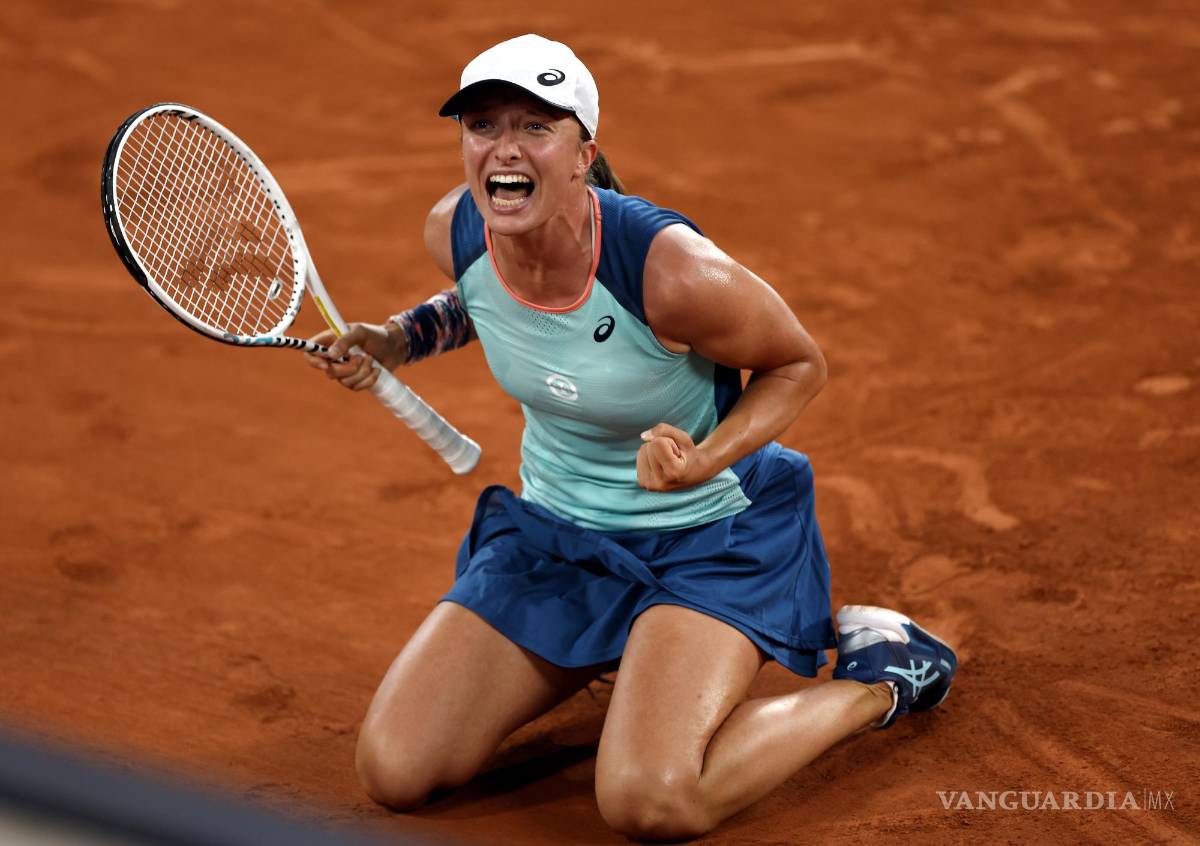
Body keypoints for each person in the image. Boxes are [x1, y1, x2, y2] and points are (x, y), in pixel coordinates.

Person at [306, 33, 957, 842]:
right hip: (556, 539)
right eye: (482, 125)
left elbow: (798, 364)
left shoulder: (672, 272)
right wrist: (399, 338)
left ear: (584, 154)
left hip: (708, 539)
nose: (504, 147)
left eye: (535, 127)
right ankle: (622, 649)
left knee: (652, 802)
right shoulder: (458, 230)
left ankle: (881, 676)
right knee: (394, 771)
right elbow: (480, 303)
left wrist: (701, 463)